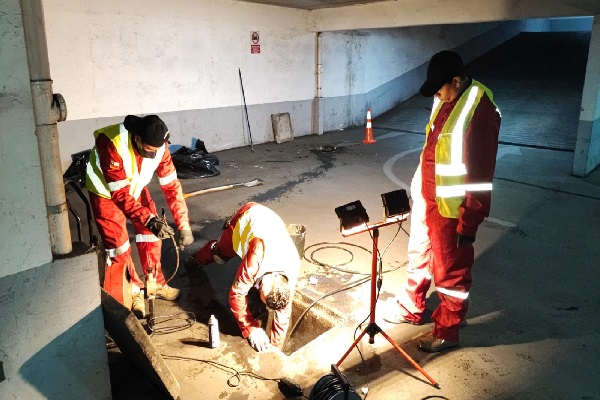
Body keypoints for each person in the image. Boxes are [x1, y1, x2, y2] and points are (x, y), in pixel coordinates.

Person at [384, 50, 501, 352]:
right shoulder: (446, 98)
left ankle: (448, 330)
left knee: (451, 271)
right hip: (428, 197)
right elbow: (434, 147)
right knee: (419, 253)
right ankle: (412, 305)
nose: (436, 95)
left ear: (457, 80)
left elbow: (480, 173)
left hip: (453, 209)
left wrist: (470, 218)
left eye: (440, 89)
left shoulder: (479, 108)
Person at [86, 114, 194, 318]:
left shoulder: (161, 147)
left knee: (152, 234)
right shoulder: (111, 143)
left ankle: (155, 283)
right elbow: (118, 194)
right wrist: (147, 219)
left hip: (134, 187)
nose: (152, 156)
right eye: (148, 151)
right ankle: (134, 291)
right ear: (137, 138)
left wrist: (184, 224)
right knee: (119, 245)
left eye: (156, 152)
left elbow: (171, 186)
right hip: (105, 192)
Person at [186, 202, 300, 352]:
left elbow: (283, 316)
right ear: (270, 278)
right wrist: (250, 328)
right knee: (220, 256)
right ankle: (195, 259)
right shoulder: (255, 259)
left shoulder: (291, 271)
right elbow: (236, 294)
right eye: (262, 292)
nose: (260, 294)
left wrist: (275, 350)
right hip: (247, 217)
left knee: (260, 293)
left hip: (269, 224)